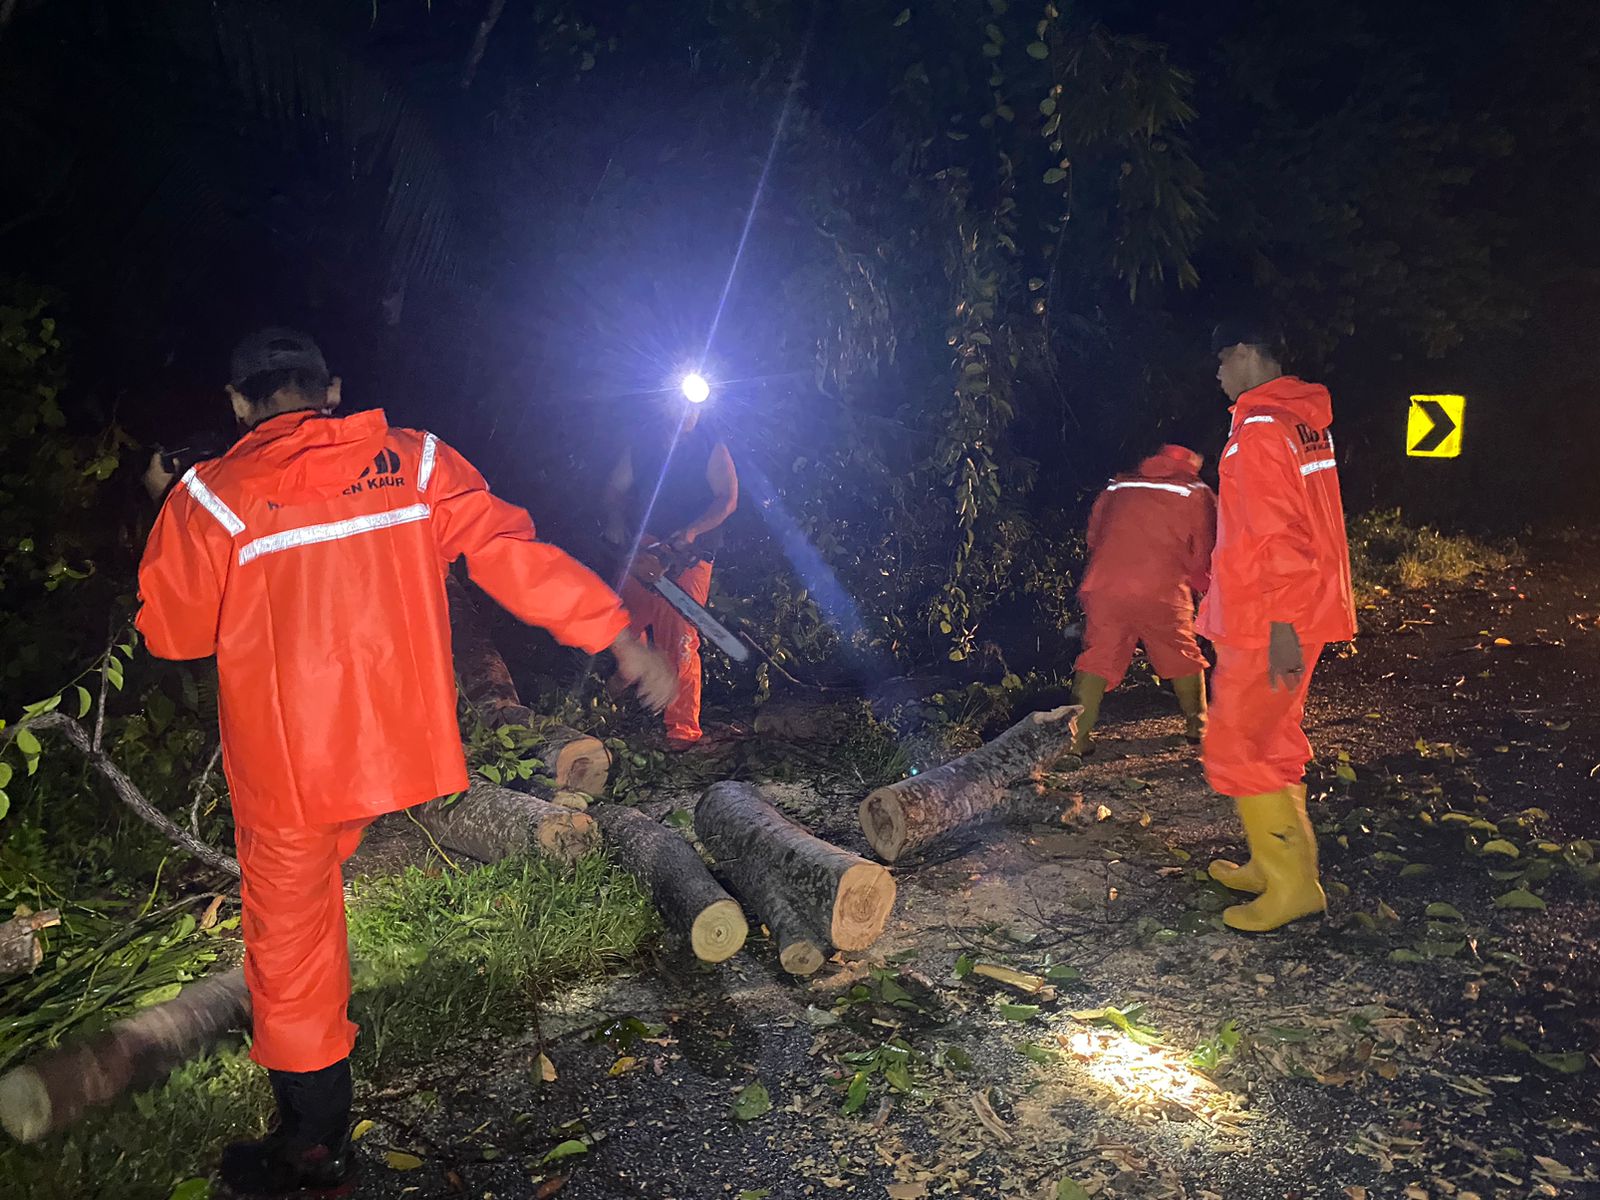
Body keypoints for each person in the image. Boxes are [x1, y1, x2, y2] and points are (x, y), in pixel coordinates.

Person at [136, 328, 676, 1195]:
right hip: (399, 747)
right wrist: (619, 635)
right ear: (333, 389)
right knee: (309, 930)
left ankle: (314, 1144)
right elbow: (512, 557)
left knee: (295, 945)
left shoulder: (214, 496)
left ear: (239, 404)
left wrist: (168, 498)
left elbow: (173, 631)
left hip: (290, 769)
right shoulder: (417, 464)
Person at [1199, 321, 1356, 932]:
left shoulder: (1260, 429)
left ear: (1244, 351)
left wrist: (1282, 626)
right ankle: (1276, 864)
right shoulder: (1301, 422)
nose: (1216, 374)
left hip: (1265, 617)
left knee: (1238, 743)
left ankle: (1292, 885)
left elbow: (1276, 536)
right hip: (1290, 609)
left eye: (1220, 359)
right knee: (1274, 736)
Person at [601, 397, 738, 749]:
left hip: (691, 551)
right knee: (618, 625)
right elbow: (615, 488)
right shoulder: (642, 442)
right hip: (646, 545)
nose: (686, 414)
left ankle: (682, 731)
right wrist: (615, 521)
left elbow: (727, 498)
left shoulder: (710, 444)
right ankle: (610, 698)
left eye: (692, 408)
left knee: (679, 638)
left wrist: (692, 531)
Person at [1070, 444, 1216, 756]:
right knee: (1182, 652)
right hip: (1161, 589)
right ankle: (1198, 726)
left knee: (1098, 656)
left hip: (1105, 586)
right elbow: (1204, 547)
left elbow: (1094, 535)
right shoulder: (1195, 492)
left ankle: (1075, 740)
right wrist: (1202, 581)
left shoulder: (1120, 485)